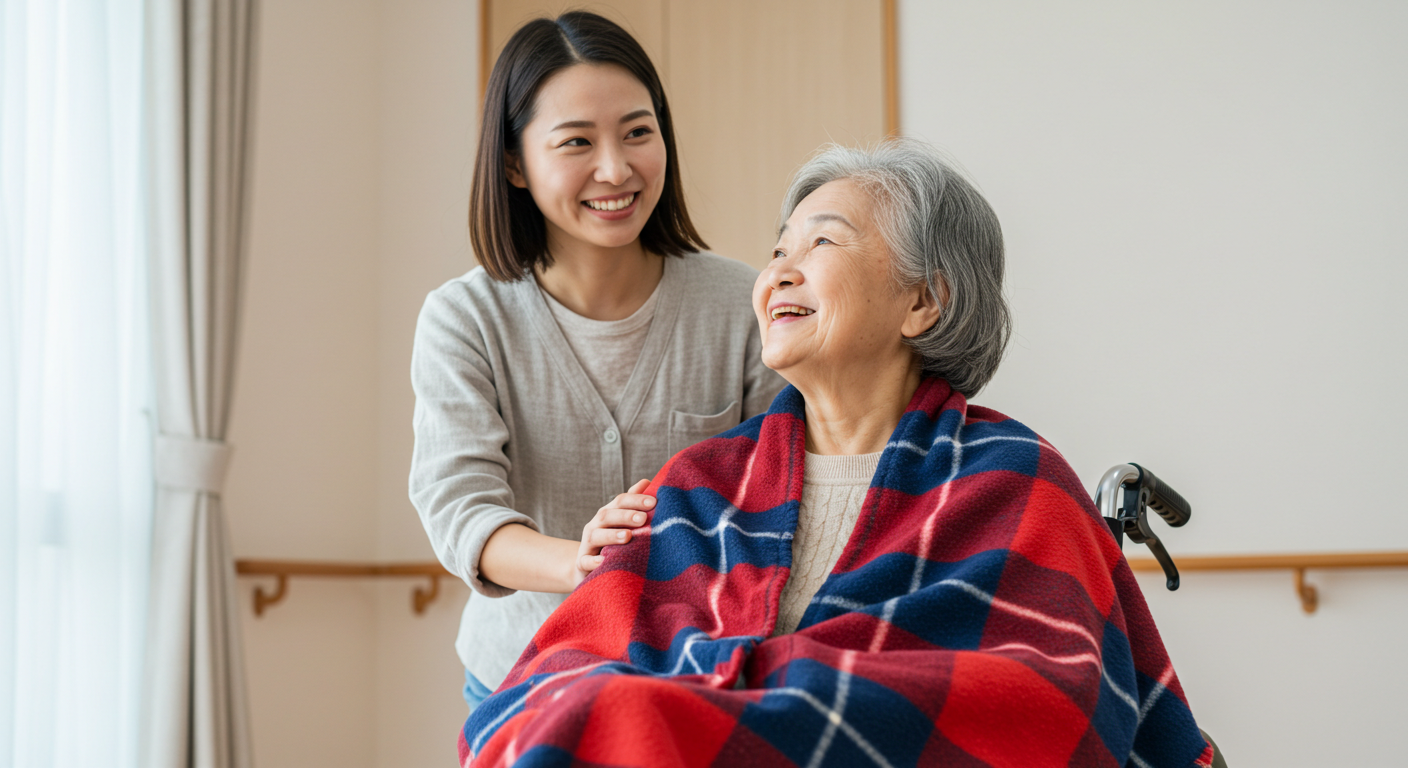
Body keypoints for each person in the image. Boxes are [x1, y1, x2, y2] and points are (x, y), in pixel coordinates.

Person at [458, 139, 1214, 768]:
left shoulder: (1017, 476)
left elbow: (1048, 706)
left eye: (821, 242)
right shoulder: (700, 486)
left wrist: (728, 700)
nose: (779, 271)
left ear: (923, 301)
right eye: (777, 249)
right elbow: (556, 675)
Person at [409, 11, 785, 710]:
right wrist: (575, 560)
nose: (616, 168)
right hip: (521, 677)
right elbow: (461, 510)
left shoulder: (741, 303)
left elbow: (782, 488)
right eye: (576, 141)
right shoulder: (465, 318)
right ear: (515, 162)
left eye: (638, 132)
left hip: (701, 680)